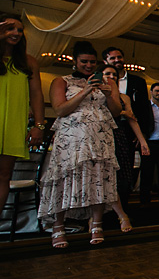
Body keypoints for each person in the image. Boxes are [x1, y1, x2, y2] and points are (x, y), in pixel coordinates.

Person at [38, 41, 122, 248]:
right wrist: (85, 91)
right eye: (84, 61)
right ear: (74, 61)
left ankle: (97, 225)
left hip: (100, 138)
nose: (88, 65)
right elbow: (59, 110)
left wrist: (109, 94)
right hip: (70, 140)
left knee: (98, 180)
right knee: (64, 179)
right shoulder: (61, 81)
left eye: (93, 62)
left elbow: (116, 111)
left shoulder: (108, 82)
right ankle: (58, 228)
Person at [0, 14, 45, 215]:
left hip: (12, 124)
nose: (16, 33)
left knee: (4, 175)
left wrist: (39, 125)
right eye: (9, 28)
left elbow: (36, 94)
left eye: (19, 30)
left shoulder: (28, 62)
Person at [102, 64, 149, 229]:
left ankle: (122, 213)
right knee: (102, 177)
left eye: (114, 75)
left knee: (123, 178)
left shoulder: (124, 97)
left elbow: (132, 119)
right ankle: (100, 216)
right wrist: (122, 113)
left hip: (120, 136)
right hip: (100, 136)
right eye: (108, 74)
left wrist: (142, 141)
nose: (112, 77)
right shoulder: (95, 95)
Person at [102, 46, 149, 135]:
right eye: (112, 58)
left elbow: (144, 108)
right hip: (106, 125)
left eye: (119, 57)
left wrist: (142, 132)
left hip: (130, 127)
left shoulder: (138, 81)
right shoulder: (101, 82)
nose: (117, 60)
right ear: (105, 62)